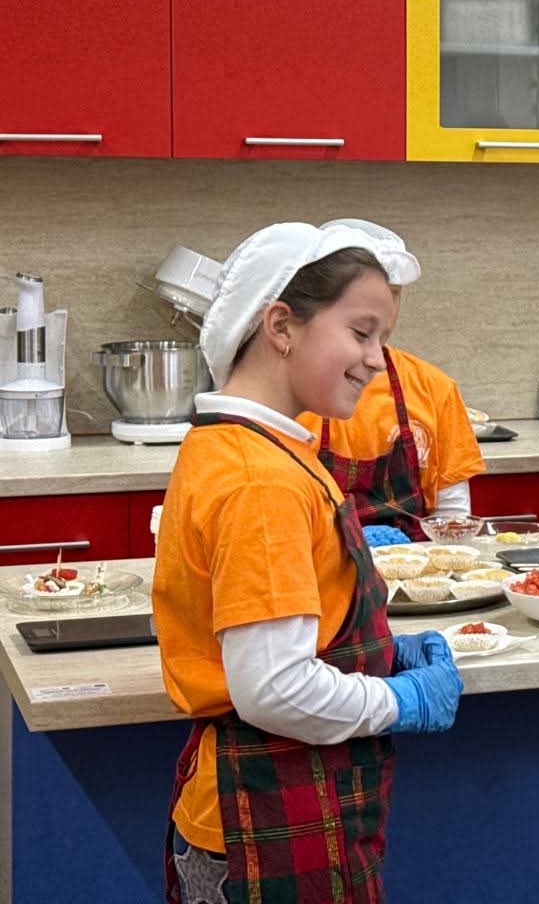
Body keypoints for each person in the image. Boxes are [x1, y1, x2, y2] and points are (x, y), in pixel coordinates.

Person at [154, 223, 463, 904]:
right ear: (281, 326)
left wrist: (375, 651)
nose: (378, 360)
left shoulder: (250, 448)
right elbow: (274, 688)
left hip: (273, 801)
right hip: (265, 814)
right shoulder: (260, 480)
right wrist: (399, 699)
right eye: (361, 332)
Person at [298, 219, 484, 548]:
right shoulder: (295, 394)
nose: (382, 310)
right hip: (317, 567)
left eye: (392, 295)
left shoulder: (433, 387)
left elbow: (453, 518)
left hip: (418, 569)